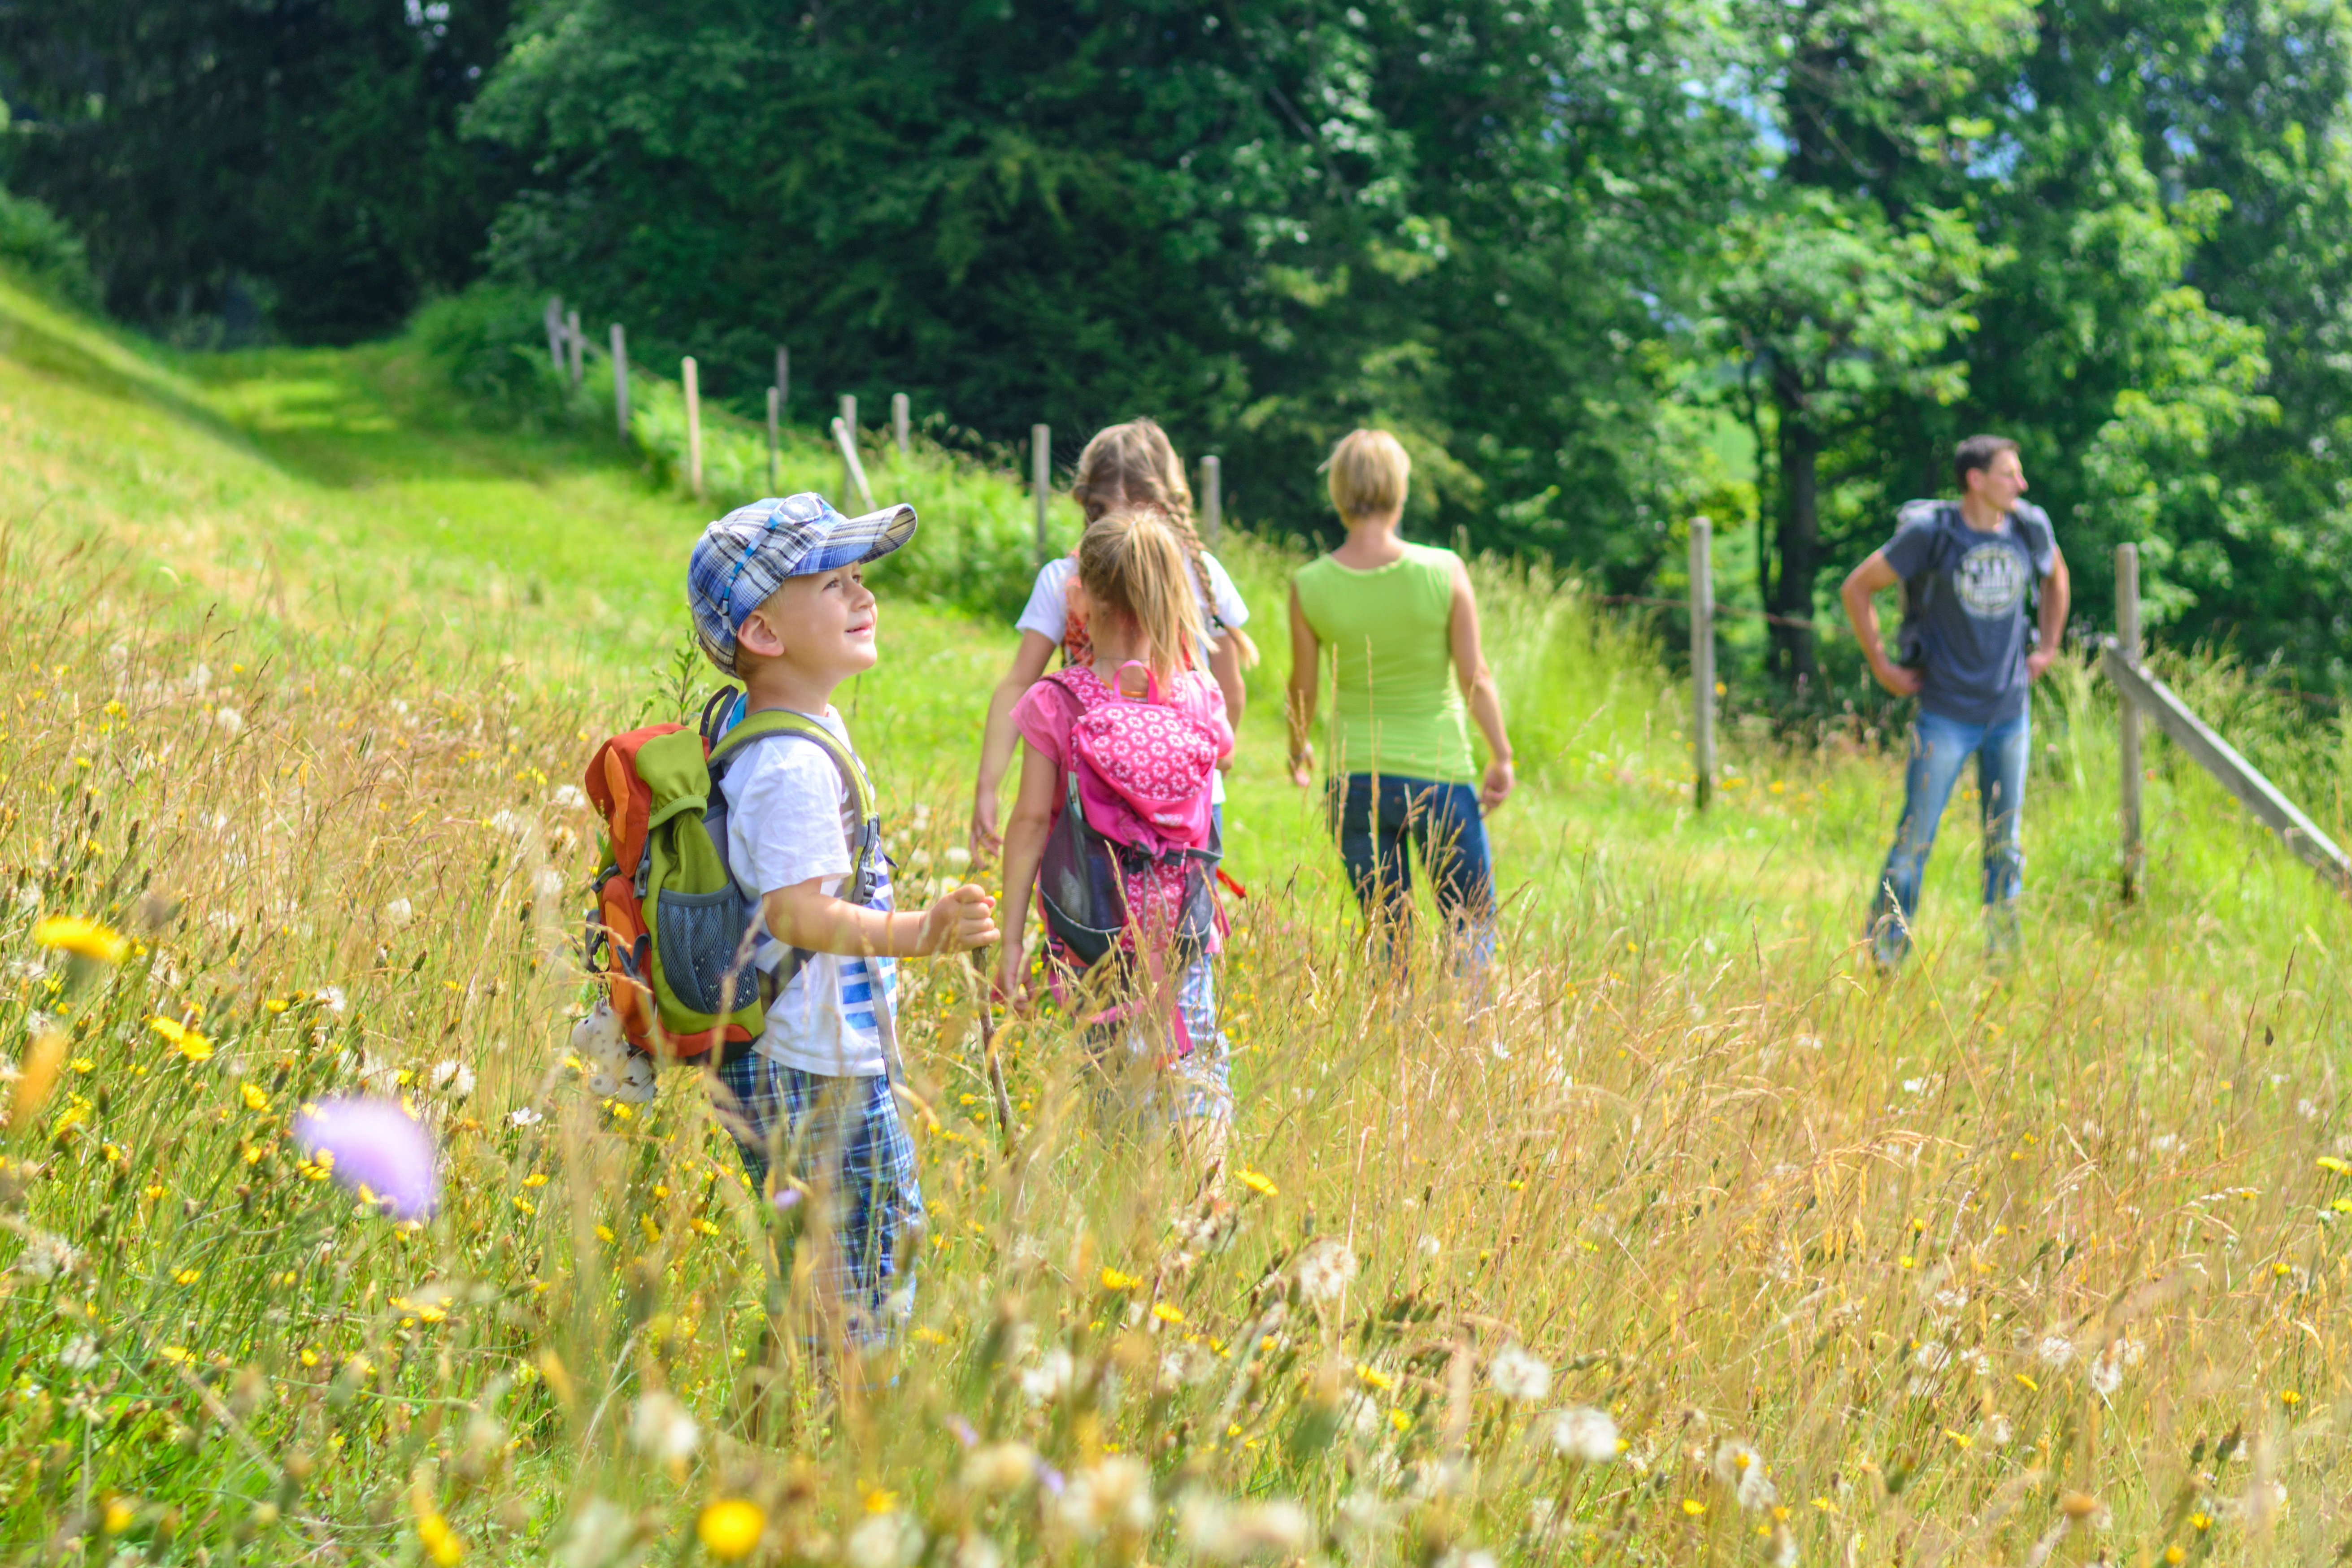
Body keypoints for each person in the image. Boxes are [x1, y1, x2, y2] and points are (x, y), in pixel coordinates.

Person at [685, 492, 999, 1344]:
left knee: (829, 1276)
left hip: (808, 1053)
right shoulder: (788, 759)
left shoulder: (799, 722)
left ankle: (809, 1426)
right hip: (812, 1067)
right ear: (763, 633)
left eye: (861, 578)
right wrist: (920, 933)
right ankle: (851, 1434)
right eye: (835, 584)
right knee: (866, 1276)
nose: (865, 597)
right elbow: (794, 912)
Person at [995, 508, 1236, 1163]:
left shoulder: (1057, 702)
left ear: (1084, 597)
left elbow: (1026, 825)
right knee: (1197, 1066)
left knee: (1112, 1091)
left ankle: (1130, 1213)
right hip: (1181, 931)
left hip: (1090, 937)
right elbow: (1224, 758)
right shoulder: (1198, 696)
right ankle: (1206, 1200)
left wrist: (1013, 937)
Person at [969, 418, 1252, 862]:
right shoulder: (1204, 574)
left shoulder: (1063, 578)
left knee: (1089, 917)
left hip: (1090, 796)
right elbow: (1229, 690)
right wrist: (1208, 761)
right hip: (1185, 799)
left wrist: (989, 783)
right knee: (1184, 922)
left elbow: (1017, 683)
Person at [1286, 429, 1514, 968]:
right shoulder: (1444, 570)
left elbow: (1303, 685)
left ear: (1338, 492)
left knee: (1388, 933)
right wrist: (1501, 753)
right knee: (1471, 924)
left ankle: (1392, 1041)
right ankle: (1469, 1041)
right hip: (1438, 772)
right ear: (1401, 489)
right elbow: (1474, 675)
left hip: (1354, 780)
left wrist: (1297, 747)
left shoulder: (1309, 583)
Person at [1839, 434, 2070, 965]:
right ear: (1976, 479)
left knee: (2004, 845)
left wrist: (2049, 647)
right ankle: (1884, 957)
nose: (2022, 484)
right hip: (1944, 713)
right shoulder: (1931, 533)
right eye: (2010, 474)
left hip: (2009, 712)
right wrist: (1881, 664)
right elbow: (1858, 587)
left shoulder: (2026, 525)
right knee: (1914, 843)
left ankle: (2001, 961)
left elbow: (2057, 577)